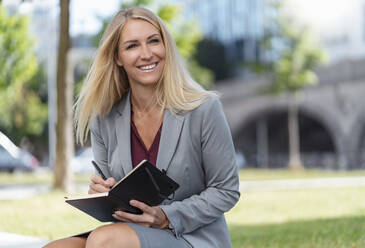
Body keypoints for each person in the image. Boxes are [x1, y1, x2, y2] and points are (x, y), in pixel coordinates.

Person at [44, 6, 239, 248]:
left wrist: (167, 216)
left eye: (154, 41)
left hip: (191, 236)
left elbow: (226, 190)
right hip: (130, 233)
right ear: (118, 57)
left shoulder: (203, 109)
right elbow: (113, 197)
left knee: (104, 240)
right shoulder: (104, 119)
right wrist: (101, 193)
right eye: (132, 46)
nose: (146, 54)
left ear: (166, 46)